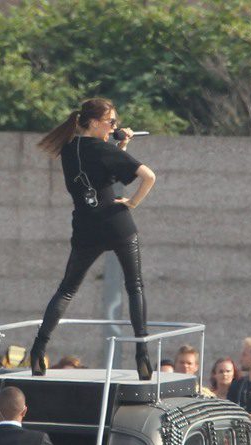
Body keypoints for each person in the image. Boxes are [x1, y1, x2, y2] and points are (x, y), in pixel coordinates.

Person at [30, 98, 157, 381]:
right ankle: (142, 355)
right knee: (134, 286)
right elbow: (148, 176)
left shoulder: (68, 149)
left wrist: (120, 145)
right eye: (111, 122)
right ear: (96, 123)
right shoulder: (101, 148)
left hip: (86, 227)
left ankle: (38, 350)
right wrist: (133, 203)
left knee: (66, 289)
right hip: (116, 221)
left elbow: (102, 172)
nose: (114, 126)